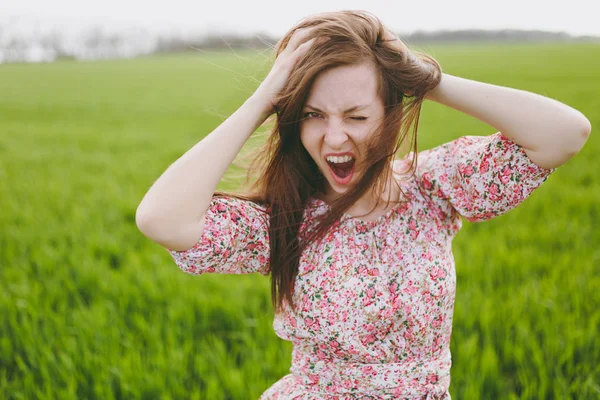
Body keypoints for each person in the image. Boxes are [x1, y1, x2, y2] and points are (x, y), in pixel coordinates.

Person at [135, 10, 591, 400]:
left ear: (389, 114)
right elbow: (162, 219)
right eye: (313, 115)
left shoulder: (432, 186)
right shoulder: (283, 219)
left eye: (356, 116)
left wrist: (425, 78)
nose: (335, 138)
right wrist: (263, 100)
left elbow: (565, 134)